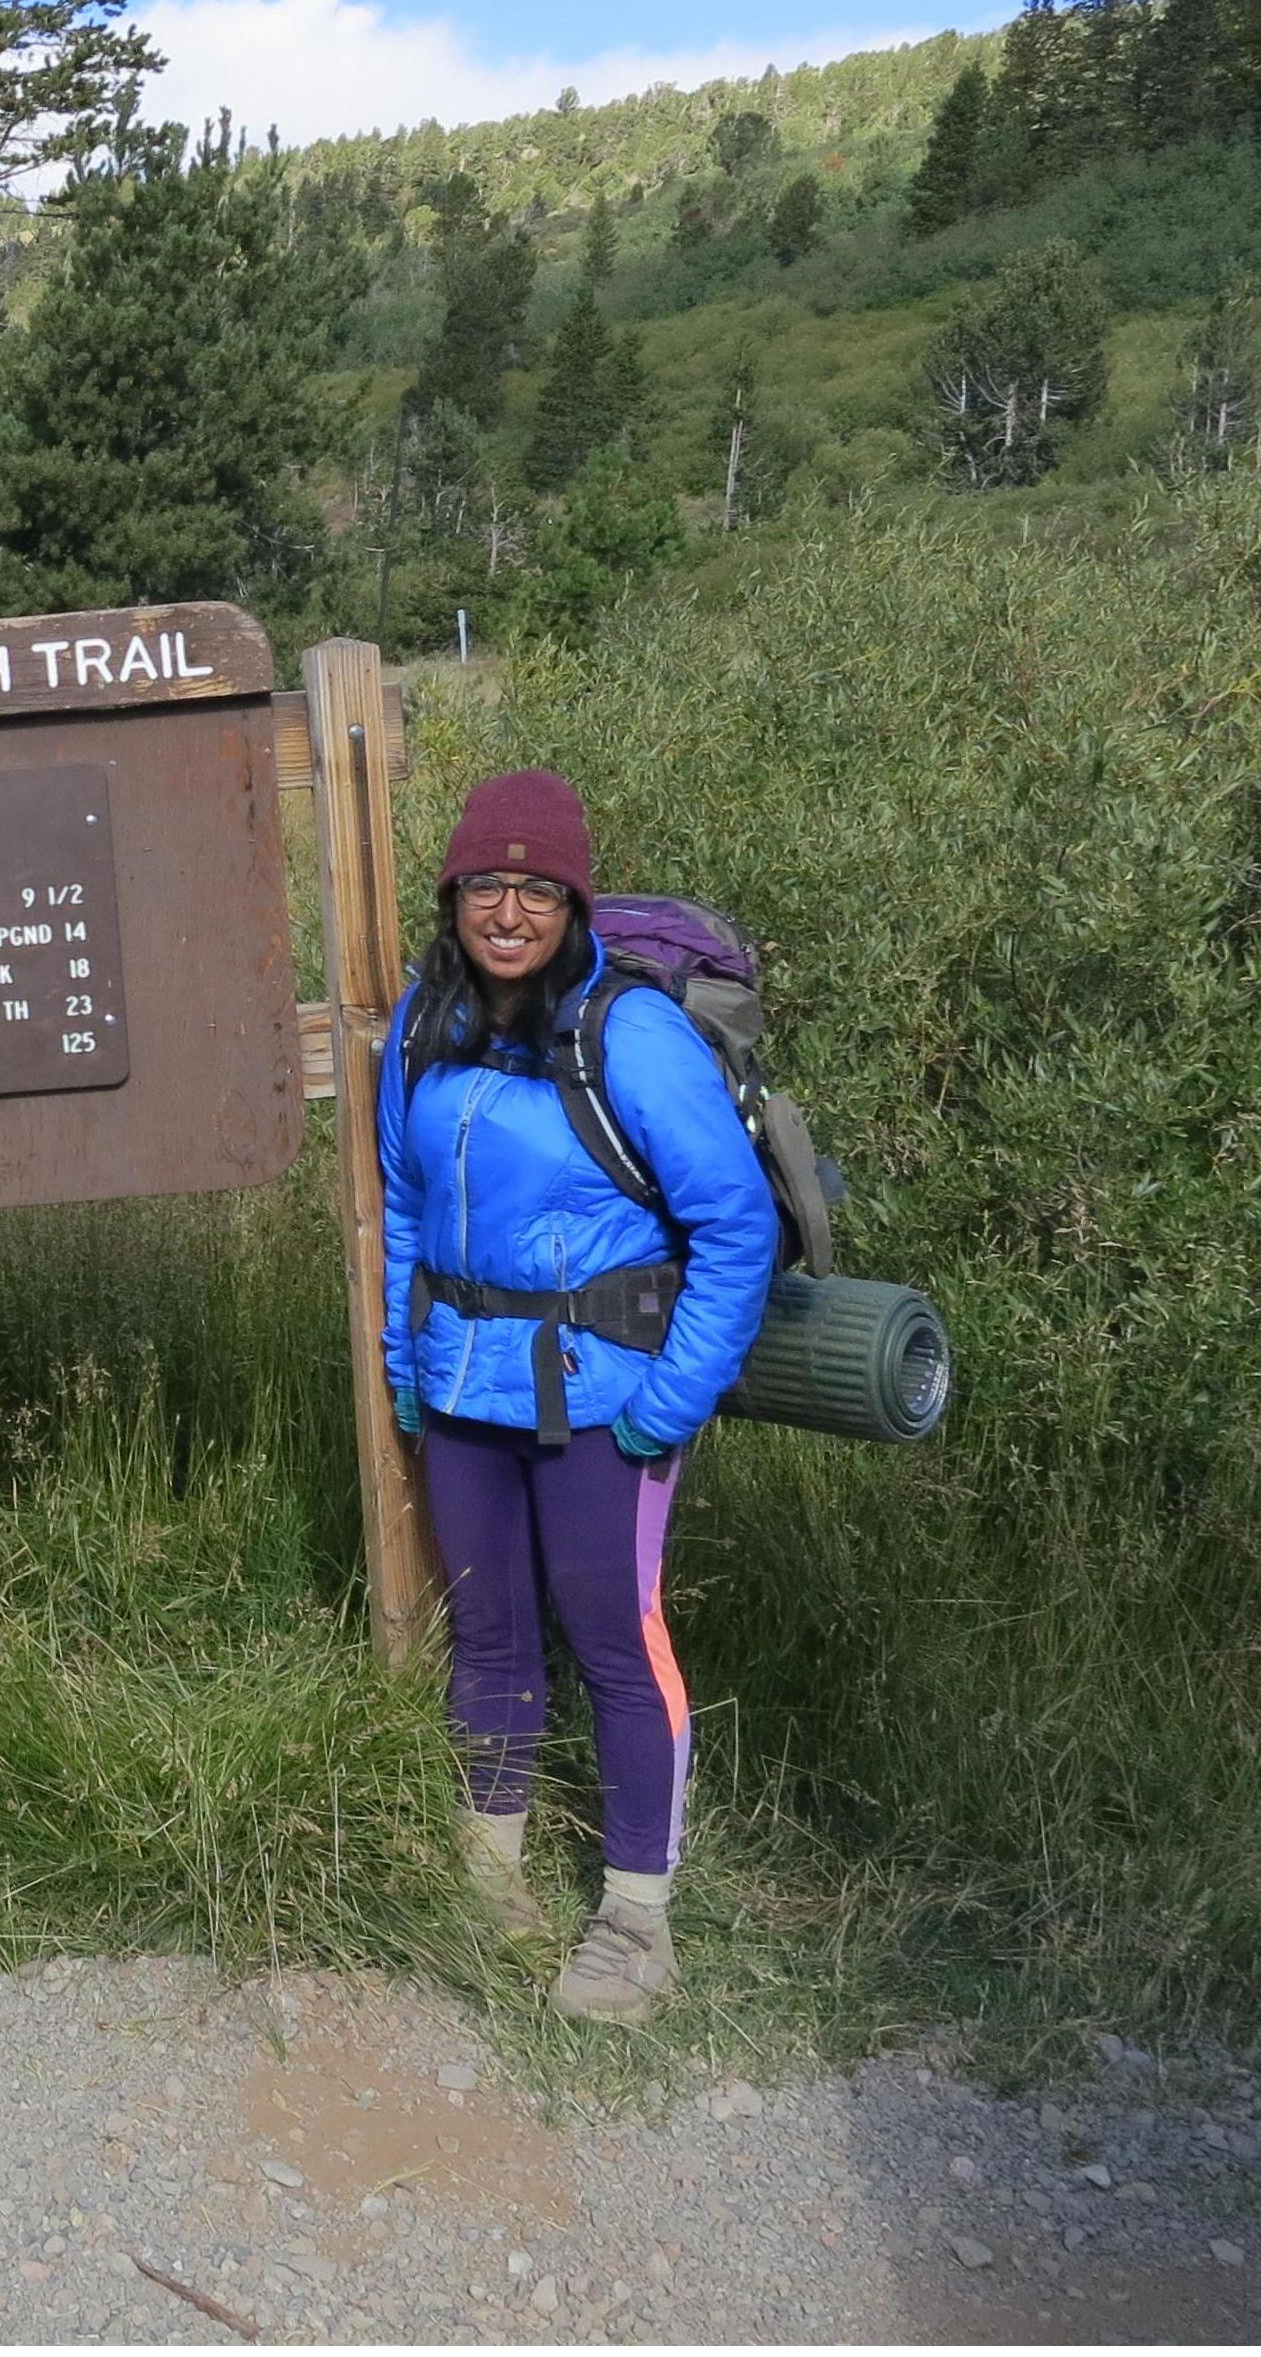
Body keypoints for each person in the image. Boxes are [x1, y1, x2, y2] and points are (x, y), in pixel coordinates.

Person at [378, 769, 776, 2024]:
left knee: (615, 1643)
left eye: (535, 887)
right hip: (461, 1388)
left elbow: (734, 1225)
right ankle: (485, 1877)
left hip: (604, 1396)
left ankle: (634, 1923)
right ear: (452, 896)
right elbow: (403, 1200)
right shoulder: (424, 1017)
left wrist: (668, 1405)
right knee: (489, 1635)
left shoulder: (631, 1031)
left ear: (571, 899)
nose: (507, 910)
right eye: (484, 885)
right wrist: (406, 1359)